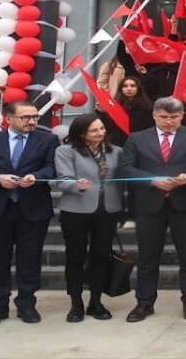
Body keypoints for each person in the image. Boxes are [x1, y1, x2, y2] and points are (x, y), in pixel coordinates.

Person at [117, 96, 186, 323]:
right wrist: (152, 180)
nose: (169, 122)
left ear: (181, 116)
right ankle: (145, 303)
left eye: (174, 117)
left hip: (185, 203)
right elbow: (126, 167)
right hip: (149, 204)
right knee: (148, 257)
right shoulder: (137, 138)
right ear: (154, 116)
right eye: (164, 117)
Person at [0, 102, 59, 327]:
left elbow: (52, 168)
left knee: (30, 260)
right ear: (8, 118)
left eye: (35, 117)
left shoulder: (47, 140)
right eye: (26, 117)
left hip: (33, 207)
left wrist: (35, 177)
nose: (32, 121)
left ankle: (26, 304)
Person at [53, 114, 124, 322]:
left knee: (101, 255)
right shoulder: (66, 151)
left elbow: (123, 179)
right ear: (81, 133)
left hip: (108, 210)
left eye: (102, 129)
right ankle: (76, 303)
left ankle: (96, 301)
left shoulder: (116, 151)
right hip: (76, 210)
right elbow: (63, 179)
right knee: (75, 256)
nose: (100, 133)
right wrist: (76, 185)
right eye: (94, 130)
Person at [102, 76, 153, 146]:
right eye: (125, 86)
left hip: (140, 143)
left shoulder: (148, 106)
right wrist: (102, 112)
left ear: (138, 88)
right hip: (118, 143)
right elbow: (107, 127)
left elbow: (150, 128)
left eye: (133, 86)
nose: (129, 89)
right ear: (121, 89)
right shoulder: (114, 106)